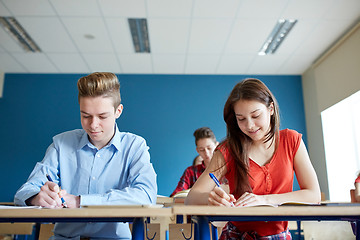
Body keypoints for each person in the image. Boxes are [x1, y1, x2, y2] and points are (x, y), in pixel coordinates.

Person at [14, 72, 157, 240]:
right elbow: (24, 191)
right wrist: (37, 197)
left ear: (118, 111)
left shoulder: (134, 146)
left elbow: (147, 195)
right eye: (86, 116)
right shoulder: (61, 143)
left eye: (102, 116)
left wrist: (80, 201)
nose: (93, 125)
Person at [185, 78, 321, 239]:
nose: (249, 125)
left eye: (255, 115)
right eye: (241, 119)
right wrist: (212, 199)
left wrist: (265, 200)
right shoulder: (228, 149)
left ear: (271, 109)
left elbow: (314, 195)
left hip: (279, 235)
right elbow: (191, 198)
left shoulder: (291, 140)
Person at [170, 127, 218, 197]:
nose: (206, 153)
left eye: (209, 148)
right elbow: (176, 195)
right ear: (197, 150)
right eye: (202, 150)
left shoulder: (228, 169)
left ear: (217, 145)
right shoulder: (190, 172)